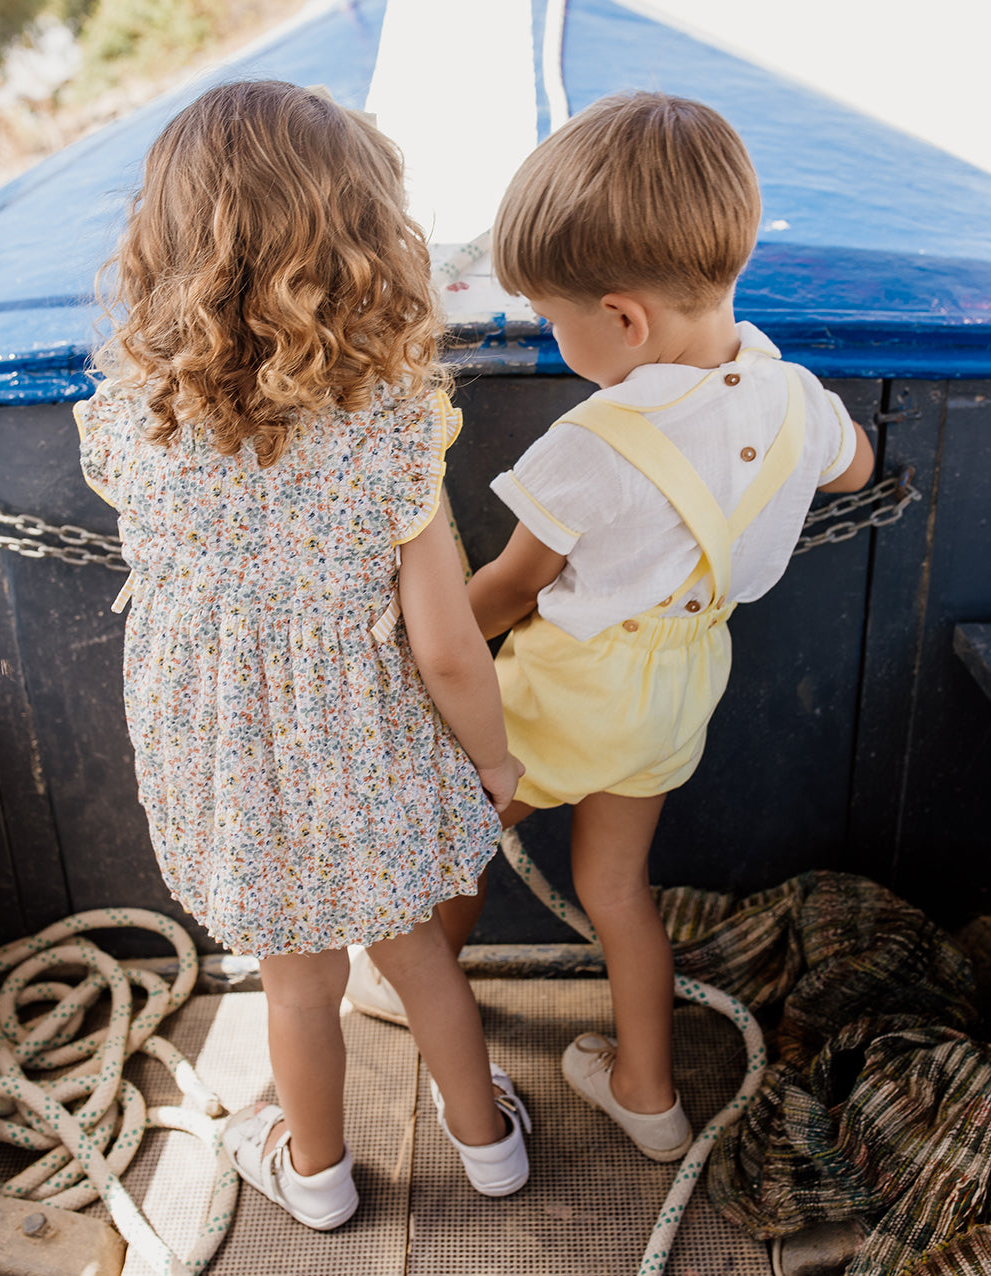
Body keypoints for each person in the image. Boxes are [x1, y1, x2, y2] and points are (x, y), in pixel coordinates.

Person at [348, 90, 874, 1162]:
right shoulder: (795, 400)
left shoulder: (589, 444)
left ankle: (415, 985)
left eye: (552, 314)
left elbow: (500, 589)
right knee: (615, 887)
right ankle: (646, 1089)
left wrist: (398, 650)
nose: (550, 333)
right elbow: (854, 466)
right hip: (680, 690)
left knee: (453, 844)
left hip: (568, 692)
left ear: (622, 318)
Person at [75, 80, 531, 1230]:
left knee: (295, 976)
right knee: (419, 952)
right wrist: (495, 763)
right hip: (364, 759)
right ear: (367, 244)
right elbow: (445, 647)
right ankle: (489, 1149)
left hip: (223, 766)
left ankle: (316, 1177)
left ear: (165, 242)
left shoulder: (131, 421)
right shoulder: (387, 425)